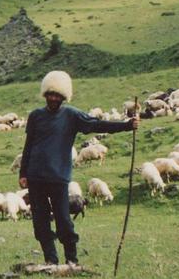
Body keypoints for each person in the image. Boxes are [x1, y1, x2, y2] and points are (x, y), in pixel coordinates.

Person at [18, 70, 138, 265]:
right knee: (40, 222)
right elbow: (29, 145)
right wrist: (23, 172)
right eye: (50, 94)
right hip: (36, 177)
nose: (53, 98)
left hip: (58, 177)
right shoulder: (35, 116)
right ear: (45, 94)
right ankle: (51, 260)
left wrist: (125, 125)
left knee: (63, 220)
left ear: (64, 96)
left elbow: (97, 125)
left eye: (57, 95)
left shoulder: (72, 115)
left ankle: (72, 260)